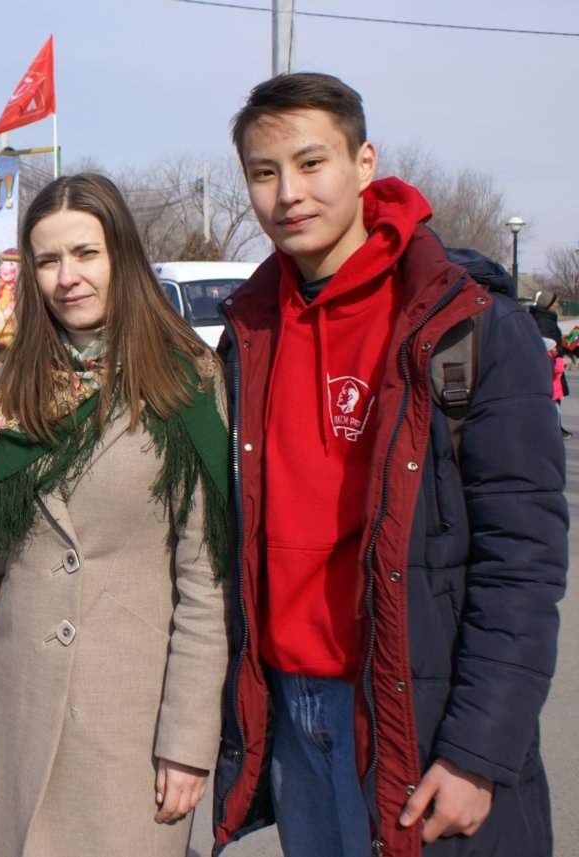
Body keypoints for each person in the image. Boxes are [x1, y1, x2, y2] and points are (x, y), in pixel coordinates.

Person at [212, 73, 566, 857]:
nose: (288, 193)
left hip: (416, 716)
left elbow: (523, 558)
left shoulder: (466, 323)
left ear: (364, 162)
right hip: (293, 714)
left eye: (312, 163)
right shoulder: (250, 332)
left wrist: (477, 751)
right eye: (264, 172)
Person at [0, 173, 230, 857]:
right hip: (24, 710)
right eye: (47, 260)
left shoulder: (188, 379)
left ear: (122, 255)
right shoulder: (18, 385)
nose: (67, 277)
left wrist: (187, 741)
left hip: (130, 722)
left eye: (86, 253)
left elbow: (206, 579)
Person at [530, 291, 571, 437]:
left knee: (556, 396)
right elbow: (545, 346)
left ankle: (556, 426)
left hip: (553, 365)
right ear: (549, 304)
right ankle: (554, 428)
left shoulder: (546, 318)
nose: (558, 304)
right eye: (556, 302)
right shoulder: (543, 321)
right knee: (552, 397)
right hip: (550, 367)